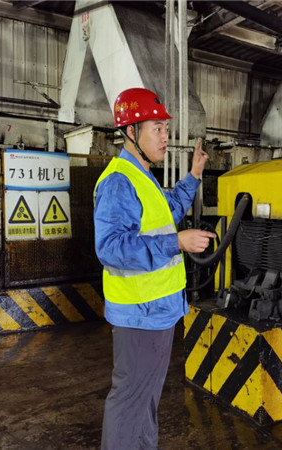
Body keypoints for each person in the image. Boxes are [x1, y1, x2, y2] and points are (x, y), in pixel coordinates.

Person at [94, 87, 215, 450]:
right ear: (132, 132)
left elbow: (169, 210)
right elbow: (110, 248)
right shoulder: (119, 182)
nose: (165, 137)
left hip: (157, 311)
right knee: (130, 401)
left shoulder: (143, 176)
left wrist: (194, 175)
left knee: (145, 400)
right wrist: (177, 243)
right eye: (157, 129)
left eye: (166, 128)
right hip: (139, 315)